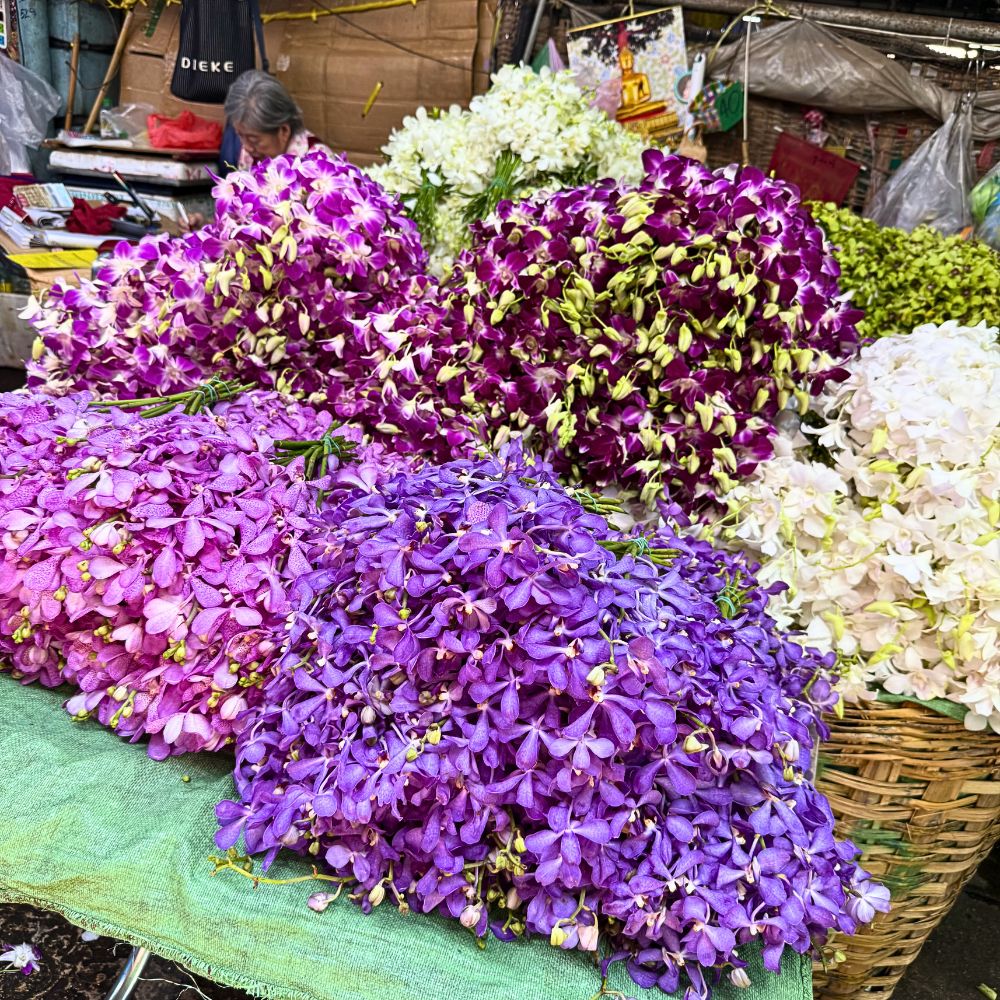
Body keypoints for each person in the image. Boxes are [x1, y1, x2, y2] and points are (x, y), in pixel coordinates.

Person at [181, 71, 332, 230]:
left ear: (284, 131)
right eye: (241, 136)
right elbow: (241, 219)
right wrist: (206, 224)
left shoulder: (319, 164)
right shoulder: (250, 155)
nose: (246, 147)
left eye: (254, 140)